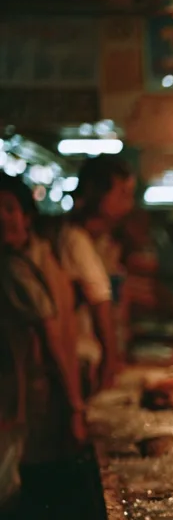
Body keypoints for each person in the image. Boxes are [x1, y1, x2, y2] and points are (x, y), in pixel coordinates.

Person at [0, 176, 87, 476]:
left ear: (27, 216)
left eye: (10, 208)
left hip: (44, 395)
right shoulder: (20, 263)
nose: (2, 216)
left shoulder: (33, 259)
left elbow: (54, 336)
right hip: (32, 399)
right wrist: (76, 407)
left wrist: (75, 406)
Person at [56, 156, 130, 393]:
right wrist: (110, 362)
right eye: (121, 194)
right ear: (98, 193)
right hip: (82, 366)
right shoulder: (75, 239)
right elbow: (100, 301)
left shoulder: (100, 241)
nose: (128, 203)